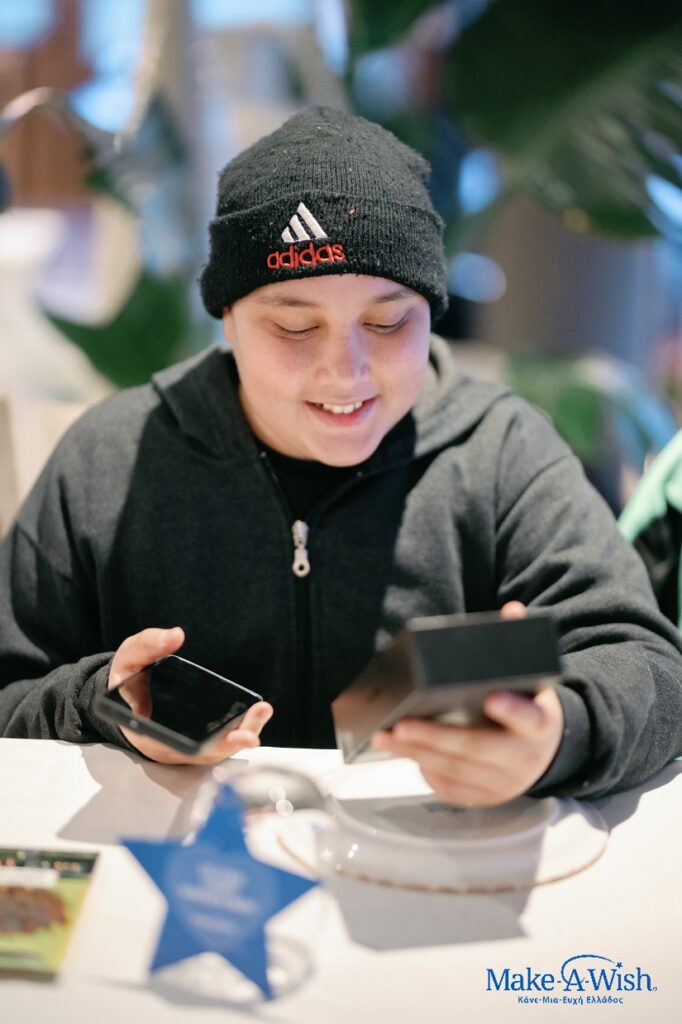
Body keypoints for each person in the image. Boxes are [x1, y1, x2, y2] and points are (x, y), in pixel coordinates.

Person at [1, 106, 681, 807]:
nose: (346, 370)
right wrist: (98, 705)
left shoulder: (500, 452)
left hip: (426, 859)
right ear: (227, 318)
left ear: (431, 312)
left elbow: (650, 667)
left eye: (388, 321)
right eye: (296, 326)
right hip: (183, 858)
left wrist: (557, 731)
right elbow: (9, 689)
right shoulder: (110, 458)